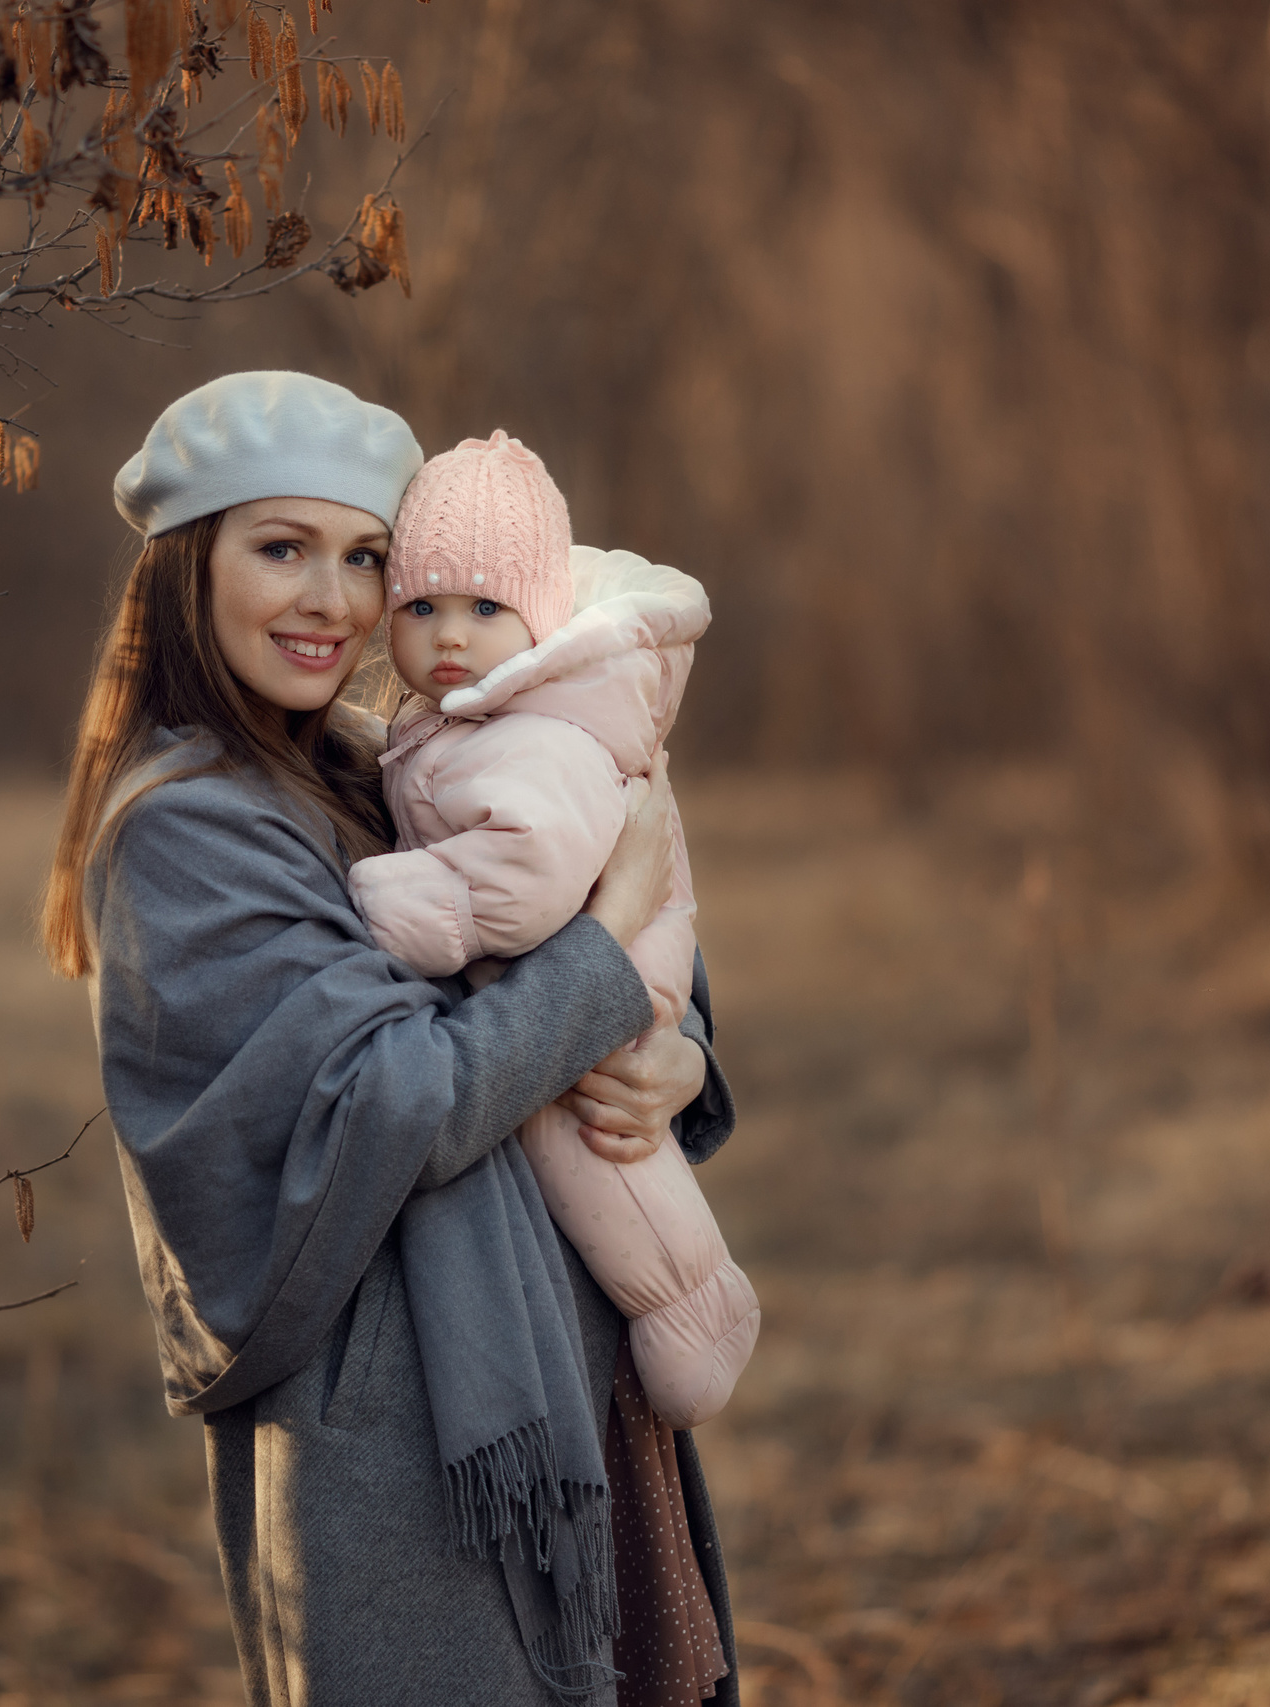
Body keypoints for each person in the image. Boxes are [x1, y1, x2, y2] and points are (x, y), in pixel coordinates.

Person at [42, 371, 741, 1707]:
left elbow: (603, 954)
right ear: (191, 565)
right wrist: (607, 942)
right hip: (408, 1444)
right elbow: (394, 1094)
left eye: (367, 558)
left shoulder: (380, 759)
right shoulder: (189, 826)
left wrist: (676, 1053)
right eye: (281, 548)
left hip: (558, 1373)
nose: (332, 599)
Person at [349, 430, 761, 1442]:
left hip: (587, 1006)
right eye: (422, 608)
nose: (450, 636)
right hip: (573, 996)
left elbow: (526, 882)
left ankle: (696, 1315)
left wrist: (409, 908)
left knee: (599, 1167)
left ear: (538, 616)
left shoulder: (528, 732)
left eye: (484, 609)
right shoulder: (458, 719)